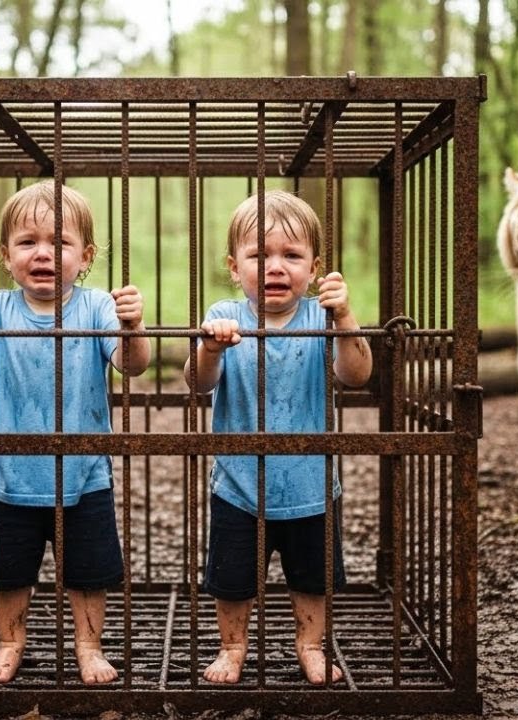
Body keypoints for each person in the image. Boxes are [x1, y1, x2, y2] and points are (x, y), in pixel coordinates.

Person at [0, 181, 150, 685]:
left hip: (85, 475)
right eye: (27, 242)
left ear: (85, 256)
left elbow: (131, 365)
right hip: (9, 476)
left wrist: (133, 327)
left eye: (59, 242)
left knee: (89, 573)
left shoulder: (96, 307)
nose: (43, 253)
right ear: (5, 255)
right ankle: (10, 641)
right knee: (8, 572)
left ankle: (89, 645)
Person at [184, 190, 372, 685]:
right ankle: (232, 646)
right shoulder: (223, 314)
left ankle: (310, 645)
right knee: (232, 579)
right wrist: (210, 349)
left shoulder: (321, 318)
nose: (275, 266)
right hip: (238, 483)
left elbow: (357, 375)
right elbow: (198, 383)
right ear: (234, 266)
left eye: (292, 255)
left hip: (312, 483)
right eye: (259, 255)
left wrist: (345, 317)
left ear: (314, 268)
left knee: (313, 578)